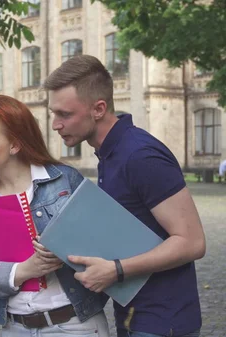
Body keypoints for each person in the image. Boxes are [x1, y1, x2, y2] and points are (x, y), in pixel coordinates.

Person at [45, 55, 206, 337]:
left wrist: (116, 270)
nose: (55, 124)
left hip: (162, 321)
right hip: (135, 317)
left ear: (99, 109)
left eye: (65, 114)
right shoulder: (110, 153)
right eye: (53, 114)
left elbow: (192, 242)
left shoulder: (140, 155)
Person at [0, 95, 110, 337]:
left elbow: (106, 241)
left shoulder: (64, 179)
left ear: (15, 145)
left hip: (75, 325)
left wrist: (65, 251)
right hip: (14, 328)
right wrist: (25, 270)